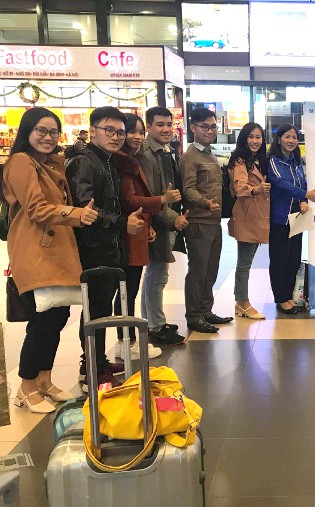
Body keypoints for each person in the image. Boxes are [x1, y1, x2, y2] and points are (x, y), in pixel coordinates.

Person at [2, 108, 98, 413]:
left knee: (57, 315)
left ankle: (44, 380)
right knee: (42, 320)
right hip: (36, 249)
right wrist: (76, 214)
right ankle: (26, 386)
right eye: (41, 131)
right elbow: (36, 208)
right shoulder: (21, 162)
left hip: (57, 248)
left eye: (53, 132)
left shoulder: (48, 163)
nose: (48, 137)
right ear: (27, 131)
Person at [66, 106, 144, 390]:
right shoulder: (84, 162)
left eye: (120, 132)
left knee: (100, 307)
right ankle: (91, 368)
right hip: (91, 247)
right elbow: (84, 208)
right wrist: (122, 223)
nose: (116, 137)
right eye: (109, 130)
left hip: (107, 245)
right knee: (93, 308)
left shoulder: (107, 160)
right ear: (93, 131)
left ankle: (97, 361)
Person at [114, 113, 182, 358]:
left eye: (138, 132)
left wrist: (148, 222)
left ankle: (139, 333)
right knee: (132, 286)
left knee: (135, 284)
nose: (135, 136)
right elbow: (132, 199)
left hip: (142, 225)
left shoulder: (137, 156)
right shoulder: (133, 159)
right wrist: (164, 203)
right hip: (127, 229)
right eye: (129, 131)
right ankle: (134, 337)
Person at [179, 107, 233, 332]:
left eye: (213, 127)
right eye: (205, 127)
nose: (210, 131)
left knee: (211, 269)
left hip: (213, 221)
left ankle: (205, 310)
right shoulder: (190, 156)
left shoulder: (209, 153)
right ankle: (194, 316)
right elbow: (187, 188)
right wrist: (204, 202)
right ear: (193, 127)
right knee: (198, 271)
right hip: (198, 221)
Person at [137, 107, 188, 344]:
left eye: (169, 124)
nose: (166, 129)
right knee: (157, 276)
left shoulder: (164, 150)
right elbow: (153, 195)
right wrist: (172, 217)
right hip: (157, 221)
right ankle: (155, 326)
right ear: (149, 126)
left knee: (155, 274)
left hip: (162, 220)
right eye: (160, 124)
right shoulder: (147, 154)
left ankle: (150, 323)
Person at [267, 124, 315, 314]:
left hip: (297, 218)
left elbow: (302, 184)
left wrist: (304, 200)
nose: (291, 141)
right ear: (279, 139)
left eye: (294, 137)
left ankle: (289, 295)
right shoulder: (273, 161)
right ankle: (280, 298)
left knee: (293, 259)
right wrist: (304, 194)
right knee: (279, 259)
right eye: (287, 137)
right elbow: (282, 183)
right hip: (280, 218)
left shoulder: (296, 163)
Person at [227, 122, 269, 319]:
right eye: (251, 137)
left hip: (256, 215)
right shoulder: (240, 161)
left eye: (258, 137)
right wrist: (256, 189)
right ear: (244, 139)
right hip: (246, 216)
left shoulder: (258, 160)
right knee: (244, 263)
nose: (255, 141)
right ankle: (243, 302)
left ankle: (240, 302)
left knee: (246, 261)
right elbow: (240, 188)